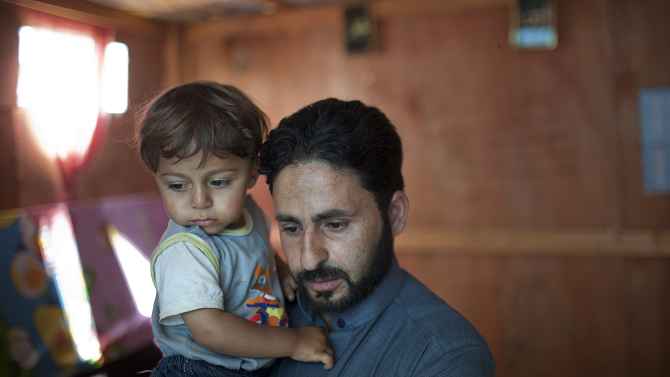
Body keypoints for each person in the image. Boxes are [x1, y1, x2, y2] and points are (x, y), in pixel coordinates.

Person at [258, 98, 496, 376]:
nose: (308, 260)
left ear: (394, 214)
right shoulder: (249, 307)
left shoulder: (445, 357)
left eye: (335, 224)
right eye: (292, 229)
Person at [135, 81, 334, 377]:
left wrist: (279, 269)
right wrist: (293, 342)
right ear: (158, 178)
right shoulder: (185, 251)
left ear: (252, 173)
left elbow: (257, 250)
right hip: (202, 368)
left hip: (249, 360)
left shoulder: (249, 213)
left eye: (218, 182)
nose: (199, 201)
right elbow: (211, 332)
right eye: (177, 185)